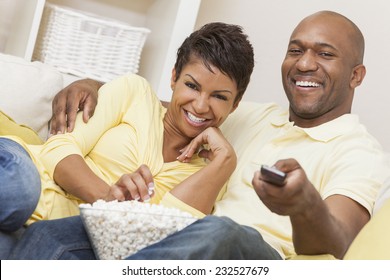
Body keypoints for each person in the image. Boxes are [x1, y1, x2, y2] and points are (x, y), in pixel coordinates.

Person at [8, 10, 390, 260]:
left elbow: (344, 242)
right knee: (54, 240)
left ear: (356, 75)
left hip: (260, 257)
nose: (305, 63)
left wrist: (304, 203)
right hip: (183, 243)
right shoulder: (253, 116)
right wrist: (90, 84)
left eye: (324, 54)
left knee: (217, 230)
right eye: (296, 50)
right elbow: (181, 104)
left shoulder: (358, 150)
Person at [0, 22, 255, 259]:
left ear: (235, 105)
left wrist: (225, 160)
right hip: (25, 173)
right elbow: (57, 148)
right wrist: (109, 201)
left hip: (45, 240)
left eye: (219, 97)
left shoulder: (211, 173)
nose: (200, 106)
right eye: (192, 85)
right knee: (18, 192)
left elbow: (162, 240)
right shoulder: (136, 93)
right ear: (174, 77)